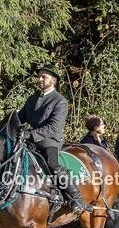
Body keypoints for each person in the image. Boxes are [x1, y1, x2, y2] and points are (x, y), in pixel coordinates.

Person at [16, 64, 90, 215]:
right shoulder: (32, 99)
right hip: (28, 141)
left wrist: (30, 134)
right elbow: (19, 118)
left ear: (54, 80)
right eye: (39, 76)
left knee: (52, 164)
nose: (40, 79)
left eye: (44, 77)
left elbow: (54, 127)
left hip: (49, 140)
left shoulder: (60, 101)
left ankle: (77, 199)